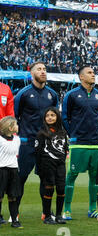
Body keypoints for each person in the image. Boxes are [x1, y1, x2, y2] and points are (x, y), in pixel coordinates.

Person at [14, 62, 59, 216]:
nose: (43, 72)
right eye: (39, 69)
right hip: (27, 143)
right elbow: (15, 117)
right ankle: (15, 212)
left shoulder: (52, 94)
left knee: (47, 179)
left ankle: (47, 212)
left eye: (44, 69)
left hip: (46, 144)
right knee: (20, 178)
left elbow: (55, 118)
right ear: (31, 73)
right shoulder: (23, 94)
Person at [62, 65, 98, 220]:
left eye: (94, 72)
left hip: (94, 143)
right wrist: (72, 134)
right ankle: (66, 209)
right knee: (71, 175)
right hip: (78, 142)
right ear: (81, 77)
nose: (93, 75)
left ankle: (92, 208)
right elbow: (65, 117)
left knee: (95, 177)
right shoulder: (71, 95)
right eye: (89, 72)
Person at [35, 107, 68, 225]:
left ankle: (59, 215)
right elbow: (38, 152)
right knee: (49, 189)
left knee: (61, 188)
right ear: (44, 118)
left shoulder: (63, 133)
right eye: (47, 115)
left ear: (57, 117)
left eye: (52, 115)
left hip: (60, 165)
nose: (50, 117)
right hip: (47, 165)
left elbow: (65, 149)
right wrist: (39, 168)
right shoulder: (41, 133)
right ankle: (47, 215)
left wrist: (62, 160)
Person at [0, 116, 22, 228]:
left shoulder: (17, 139)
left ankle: (15, 220)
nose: (18, 126)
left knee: (13, 196)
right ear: (10, 127)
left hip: (13, 170)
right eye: (16, 124)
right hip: (1, 170)